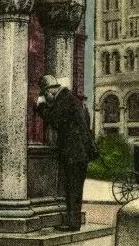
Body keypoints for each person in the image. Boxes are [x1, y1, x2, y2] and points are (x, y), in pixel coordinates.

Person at [36, 75, 98, 232]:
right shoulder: (72, 98)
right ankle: (73, 222)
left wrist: (41, 107)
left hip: (74, 154)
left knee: (72, 188)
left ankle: (72, 223)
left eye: (45, 95)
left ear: (50, 91)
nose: (47, 99)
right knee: (75, 189)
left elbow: (55, 120)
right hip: (80, 153)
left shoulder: (64, 99)